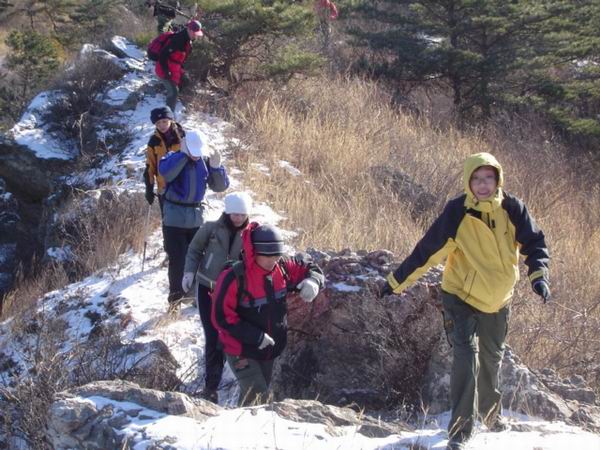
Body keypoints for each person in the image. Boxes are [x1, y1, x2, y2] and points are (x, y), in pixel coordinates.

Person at [381, 152, 550, 450]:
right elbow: (426, 252)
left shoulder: (513, 208)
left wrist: (539, 276)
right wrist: (395, 282)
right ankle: (460, 432)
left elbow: (534, 243)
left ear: (498, 180)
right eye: (476, 179)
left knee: (491, 358)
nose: (483, 185)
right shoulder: (457, 212)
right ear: (468, 182)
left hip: (498, 299)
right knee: (466, 357)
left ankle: (490, 414)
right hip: (461, 297)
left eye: (488, 178)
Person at [211, 222, 325, 406]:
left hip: (269, 348)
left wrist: (314, 281)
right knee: (258, 395)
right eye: (268, 256)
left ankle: (238, 422)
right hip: (240, 349)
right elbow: (221, 317)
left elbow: (310, 268)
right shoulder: (234, 277)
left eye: (276, 255)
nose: (273, 260)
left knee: (254, 398)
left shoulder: (282, 267)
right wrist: (255, 336)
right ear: (255, 252)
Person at [182, 192, 253, 403]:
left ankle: (241, 382)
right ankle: (211, 386)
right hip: (207, 287)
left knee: (229, 334)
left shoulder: (252, 234)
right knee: (212, 335)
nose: (238, 218)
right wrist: (189, 272)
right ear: (227, 212)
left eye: (242, 214)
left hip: (233, 293)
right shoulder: (211, 229)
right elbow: (194, 249)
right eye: (235, 214)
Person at [158, 130, 229, 308]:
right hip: (174, 219)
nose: (196, 156)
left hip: (196, 219)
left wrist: (216, 167)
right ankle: (175, 301)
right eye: (193, 152)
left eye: (199, 152)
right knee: (177, 261)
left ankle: (195, 296)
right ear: (185, 146)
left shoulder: (204, 161)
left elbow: (220, 187)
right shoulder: (172, 157)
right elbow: (166, 173)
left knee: (198, 259)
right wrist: (183, 156)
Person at [155, 20, 204, 112]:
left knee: (185, 81)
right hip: (164, 68)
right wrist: (166, 71)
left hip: (175, 68)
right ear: (189, 30)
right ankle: (168, 115)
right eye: (195, 33)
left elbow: (179, 59)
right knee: (173, 93)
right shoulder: (178, 40)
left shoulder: (187, 41)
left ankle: (175, 102)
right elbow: (163, 55)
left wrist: (182, 70)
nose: (196, 36)